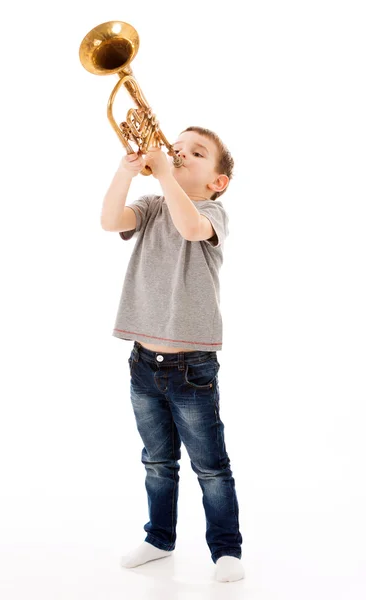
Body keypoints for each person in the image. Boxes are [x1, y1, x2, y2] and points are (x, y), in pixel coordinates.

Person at [101, 126, 244, 583]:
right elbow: (109, 220)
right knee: (156, 461)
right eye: (175, 149)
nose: (179, 156)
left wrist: (163, 172)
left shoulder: (212, 213)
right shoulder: (150, 206)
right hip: (143, 362)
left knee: (210, 466)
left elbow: (189, 227)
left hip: (192, 367)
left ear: (217, 181)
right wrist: (126, 172)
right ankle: (158, 538)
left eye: (195, 154)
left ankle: (227, 550)